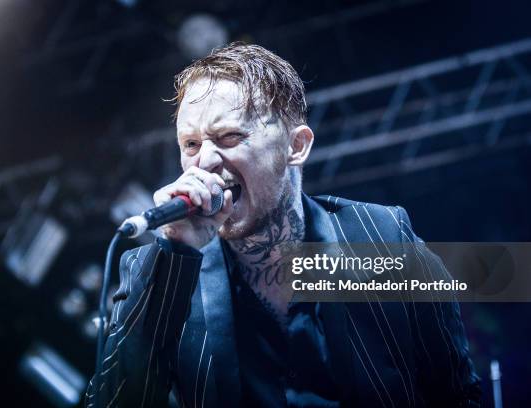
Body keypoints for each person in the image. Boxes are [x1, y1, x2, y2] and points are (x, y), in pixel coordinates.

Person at [85, 43, 481, 407]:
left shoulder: (382, 236)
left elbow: (458, 394)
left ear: (296, 146)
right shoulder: (154, 272)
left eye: (228, 137)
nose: (203, 161)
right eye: (190, 144)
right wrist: (176, 256)